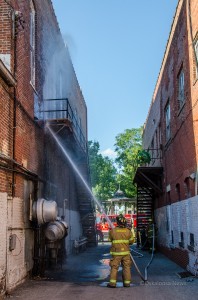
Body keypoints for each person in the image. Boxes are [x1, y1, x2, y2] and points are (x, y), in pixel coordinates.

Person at [107, 214, 134, 288]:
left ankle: (112, 284)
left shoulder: (113, 231)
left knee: (114, 267)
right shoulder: (128, 231)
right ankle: (127, 283)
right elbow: (131, 241)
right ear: (125, 222)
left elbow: (110, 240)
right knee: (126, 268)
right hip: (126, 253)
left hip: (116, 253)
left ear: (117, 222)